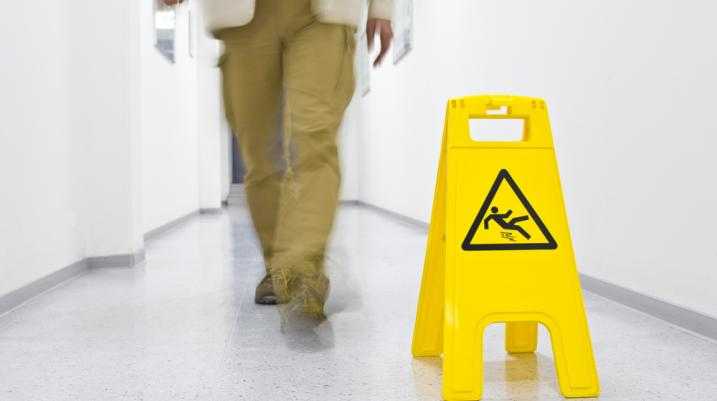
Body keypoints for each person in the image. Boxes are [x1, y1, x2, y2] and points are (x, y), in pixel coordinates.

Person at [169, 0, 393, 320]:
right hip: (243, 17)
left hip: (322, 14)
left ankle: (302, 271)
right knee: (259, 155)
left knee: (314, 139)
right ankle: (278, 269)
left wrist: (382, 8)